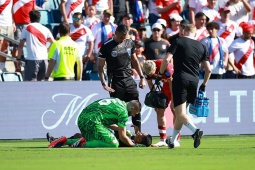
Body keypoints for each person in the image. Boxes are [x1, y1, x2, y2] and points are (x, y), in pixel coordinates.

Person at [157, 24, 212, 149]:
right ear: (194, 33)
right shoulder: (202, 46)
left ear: (184, 31)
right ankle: (173, 140)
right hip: (194, 81)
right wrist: (204, 85)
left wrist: (160, 74)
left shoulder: (178, 41)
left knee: (180, 113)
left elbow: (166, 60)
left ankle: (195, 131)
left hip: (180, 79)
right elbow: (208, 69)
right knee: (181, 113)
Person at [97, 24, 146, 134]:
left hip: (129, 80)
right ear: (115, 33)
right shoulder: (106, 46)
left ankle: (138, 134)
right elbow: (100, 66)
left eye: (124, 37)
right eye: (120, 37)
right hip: (115, 82)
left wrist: (142, 77)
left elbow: (134, 61)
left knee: (136, 106)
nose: (122, 40)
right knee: (117, 110)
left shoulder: (129, 43)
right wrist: (104, 83)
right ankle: (119, 136)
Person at [49, 98, 146, 148]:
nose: (133, 116)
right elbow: (122, 137)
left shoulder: (117, 101)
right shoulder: (124, 112)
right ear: (132, 108)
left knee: (97, 138)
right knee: (113, 143)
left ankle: (65, 141)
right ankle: (82, 144)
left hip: (82, 119)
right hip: (93, 121)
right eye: (135, 113)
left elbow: (106, 122)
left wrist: (120, 129)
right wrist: (134, 145)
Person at [142, 60, 180, 147]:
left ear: (155, 68)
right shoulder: (146, 68)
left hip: (174, 85)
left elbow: (171, 85)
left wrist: (173, 102)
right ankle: (162, 139)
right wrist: (156, 97)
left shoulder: (166, 68)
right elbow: (150, 83)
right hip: (165, 85)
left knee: (174, 109)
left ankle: (176, 139)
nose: (151, 76)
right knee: (159, 109)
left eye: (152, 74)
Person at [16, 10, 55, 81]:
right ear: (39, 18)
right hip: (44, 60)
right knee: (42, 86)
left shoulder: (26, 28)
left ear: (30, 18)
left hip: (32, 60)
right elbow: (54, 43)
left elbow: (21, 45)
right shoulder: (45, 29)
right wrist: (48, 49)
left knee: (29, 85)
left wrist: (18, 59)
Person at [46, 126, 152, 148]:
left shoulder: (133, 143)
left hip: (106, 140)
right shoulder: (131, 136)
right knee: (79, 135)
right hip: (106, 136)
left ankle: (57, 141)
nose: (141, 132)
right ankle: (56, 141)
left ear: (141, 139)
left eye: (142, 134)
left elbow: (146, 144)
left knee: (82, 137)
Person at [12, 0, 36, 72]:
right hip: (17, 25)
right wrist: (13, 22)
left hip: (29, 25)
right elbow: (10, 9)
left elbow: (34, 10)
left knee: (29, 46)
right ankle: (17, 68)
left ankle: (28, 67)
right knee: (16, 46)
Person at [0, 0, 16, 72]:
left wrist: (13, 22)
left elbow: (11, 10)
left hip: (9, 24)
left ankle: (2, 67)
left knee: (6, 46)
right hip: (0, 24)